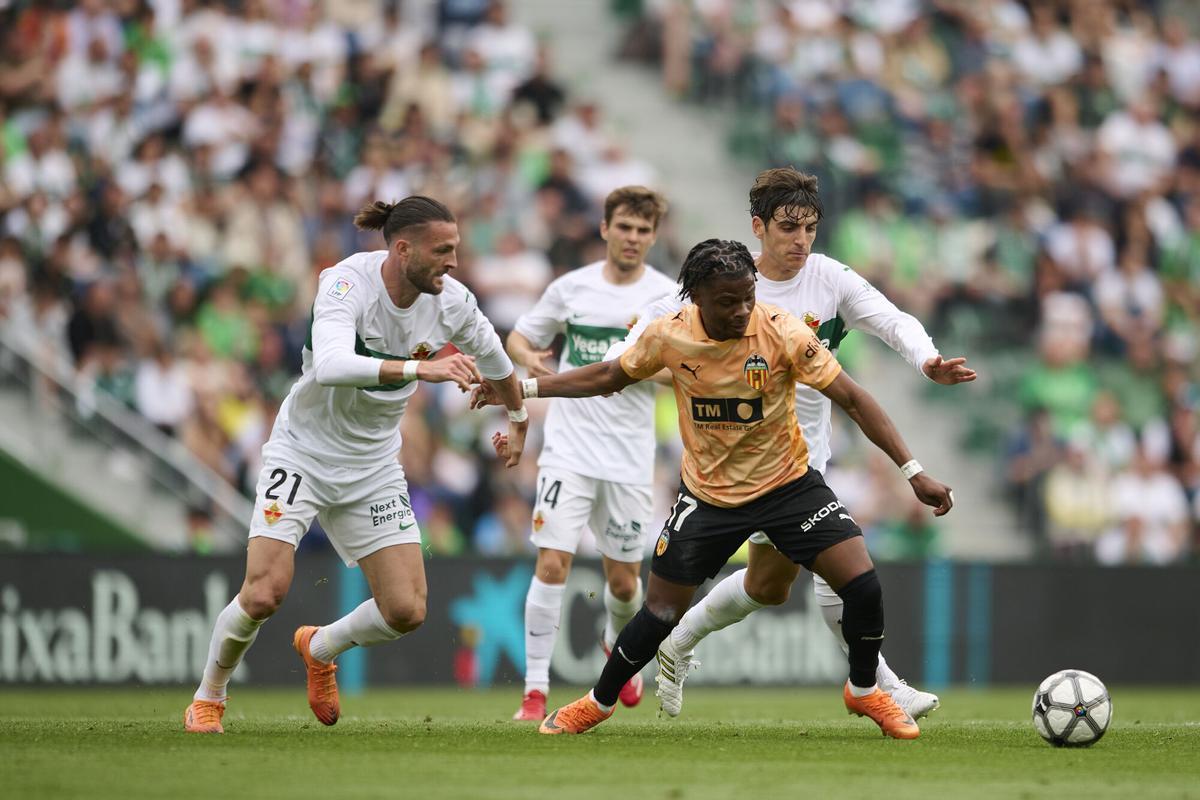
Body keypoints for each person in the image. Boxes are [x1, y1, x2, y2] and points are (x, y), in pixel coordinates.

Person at [476, 238, 954, 739]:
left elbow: (854, 399)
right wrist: (522, 389)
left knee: (863, 585)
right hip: (708, 497)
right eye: (728, 302)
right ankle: (597, 702)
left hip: (789, 485)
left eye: (748, 297)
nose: (742, 310)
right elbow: (607, 374)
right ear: (696, 298)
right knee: (660, 611)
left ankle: (863, 690)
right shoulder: (669, 335)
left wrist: (912, 470)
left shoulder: (782, 331)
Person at [621, 168, 975, 719]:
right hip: (733, 465)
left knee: (768, 587)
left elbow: (893, 320)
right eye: (789, 227)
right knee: (840, 571)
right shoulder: (723, 283)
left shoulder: (829, 280)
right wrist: (655, 368)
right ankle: (879, 685)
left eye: (810, 227)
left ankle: (679, 642)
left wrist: (927, 360)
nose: (801, 240)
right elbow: (641, 336)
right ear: (759, 227)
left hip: (801, 461)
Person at [183, 196, 528, 734]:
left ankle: (320, 648)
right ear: (403, 248)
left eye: (456, 249)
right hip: (303, 451)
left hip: (372, 465)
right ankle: (210, 696)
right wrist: (423, 369)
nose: (454, 262)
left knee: (407, 610)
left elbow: (498, 362)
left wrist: (521, 418)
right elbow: (334, 365)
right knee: (264, 592)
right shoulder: (345, 283)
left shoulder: (453, 301)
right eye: (443, 250)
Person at [506, 186, 677, 721]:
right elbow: (518, 337)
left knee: (624, 582)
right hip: (568, 449)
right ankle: (535, 692)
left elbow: (683, 371)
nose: (632, 238)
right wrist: (530, 356)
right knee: (553, 561)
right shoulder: (570, 288)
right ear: (604, 229)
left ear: (652, 237)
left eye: (643, 230)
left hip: (629, 456)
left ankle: (612, 643)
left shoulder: (668, 298)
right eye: (623, 227)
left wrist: (643, 369)